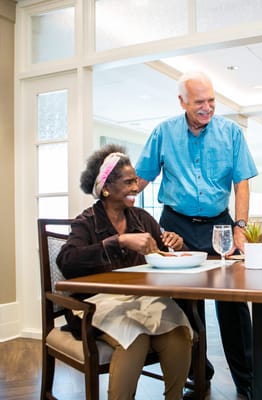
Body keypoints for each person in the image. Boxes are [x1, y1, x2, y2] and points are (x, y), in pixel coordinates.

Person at [135, 71, 258, 400]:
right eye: (200, 102)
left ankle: (247, 381)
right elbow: (140, 179)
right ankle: (197, 374)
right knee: (185, 307)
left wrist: (240, 227)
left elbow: (242, 182)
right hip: (176, 226)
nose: (207, 108)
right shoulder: (163, 133)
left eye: (212, 101)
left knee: (232, 304)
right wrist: (116, 201)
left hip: (219, 224)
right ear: (182, 102)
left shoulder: (231, 132)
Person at [57, 144, 193, 400]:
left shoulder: (142, 218)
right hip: (95, 302)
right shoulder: (86, 222)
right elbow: (66, 261)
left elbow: (170, 252)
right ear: (106, 188)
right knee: (134, 339)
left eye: (136, 181)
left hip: (139, 300)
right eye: (128, 182)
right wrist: (118, 242)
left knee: (178, 334)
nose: (136, 187)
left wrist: (177, 243)